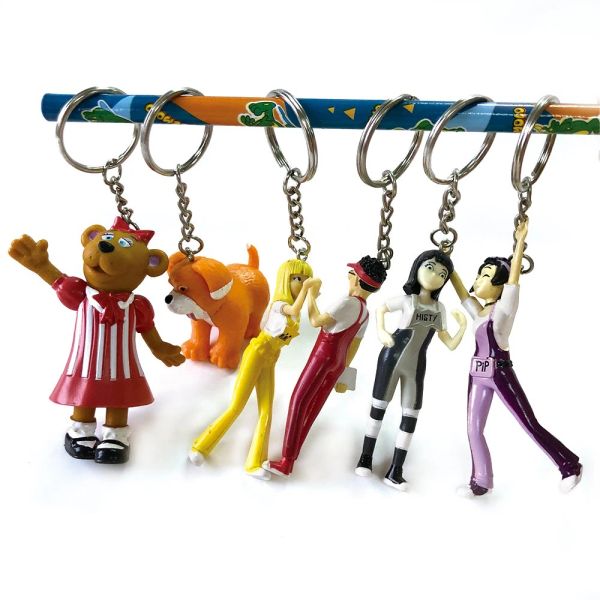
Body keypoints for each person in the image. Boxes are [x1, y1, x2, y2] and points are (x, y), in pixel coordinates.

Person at [450, 221, 582, 495]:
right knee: (473, 429)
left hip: (499, 372)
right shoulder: (479, 313)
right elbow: (463, 295)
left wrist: (520, 243)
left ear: (499, 284)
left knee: (528, 423)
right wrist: (448, 268)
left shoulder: (504, 309)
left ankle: (569, 465)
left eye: (486, 275)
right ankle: (480, 481)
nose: (479, 280)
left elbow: (513, 283)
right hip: (477, 375)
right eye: (479, 275)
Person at [188, 259, 319, 479]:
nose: (301, 283)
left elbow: (311, 317)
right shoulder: (280, 304)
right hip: (257, 353)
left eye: (305, 279)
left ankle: (254, 462)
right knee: (237, 406)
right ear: (285, 280)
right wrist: (307, 289)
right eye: (297, 278)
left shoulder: (295, 312)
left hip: (270, 359)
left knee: (266, 410)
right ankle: (201, 446)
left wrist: (312, 294)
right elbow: (294, 308)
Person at [264, 256, 387, 478]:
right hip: (337, 362)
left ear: (358, 280)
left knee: (298, 401)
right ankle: (290, 460)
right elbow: (354, 345)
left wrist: (311, 294)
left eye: (352, 273)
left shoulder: (347, 302)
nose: (349, 276)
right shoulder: (365, 313)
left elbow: (316, 321)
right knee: (312, 408)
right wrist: (343, 372)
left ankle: (286, 461)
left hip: (322, 356)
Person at [355, 250, 467, 490]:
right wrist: (382, 331)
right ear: (417, 268)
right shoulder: (407, 301)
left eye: (442, 274)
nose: (435, 275)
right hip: (391, 358)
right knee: (378, 408)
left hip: (417, 366)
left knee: (411, 415)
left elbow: (449, 343)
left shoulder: (439, 308)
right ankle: (365, 457)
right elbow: (381, 309)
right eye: (430, 267)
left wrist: (463, 326)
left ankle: (396, 470)